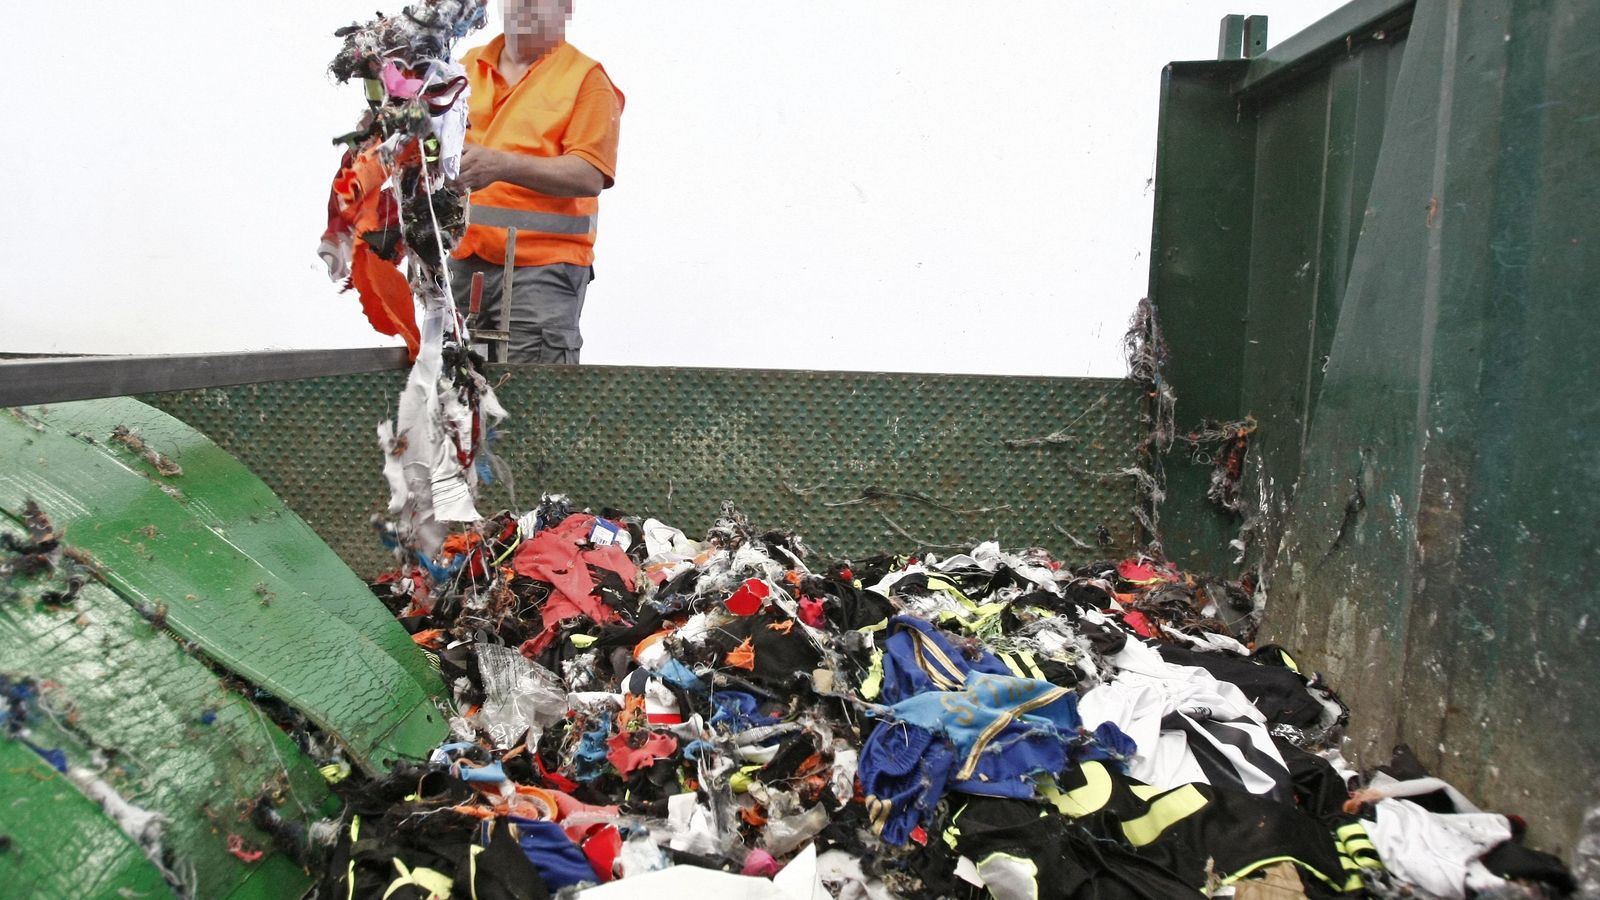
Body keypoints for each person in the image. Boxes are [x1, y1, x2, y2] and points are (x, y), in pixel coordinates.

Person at [449, 0, 623, 364]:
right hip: (464, 263)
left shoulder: (586, 80)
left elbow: (589, 174)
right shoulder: (462, 69)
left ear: (565, 7)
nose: (525, 6)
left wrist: (500, 164)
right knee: (455, 399)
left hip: (544, 270)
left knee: (531, 402)